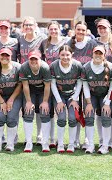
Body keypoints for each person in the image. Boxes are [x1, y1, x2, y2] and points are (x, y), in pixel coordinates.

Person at [66, 21, 97, 150]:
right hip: (74, 82)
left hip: (89, 81)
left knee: (88, 110)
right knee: (76, 110)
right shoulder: (69, 43)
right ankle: (76, 139)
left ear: (86, 31)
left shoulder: (92, 43)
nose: (81, 32)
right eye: (78, 30)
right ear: (74, 30)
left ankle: (87, 139)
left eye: (83, 30)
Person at [93, 18, 112, 150]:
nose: (102, 30)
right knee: (99, 111)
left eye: (104, 27)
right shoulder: (93, 42)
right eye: (100, 27)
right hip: (99, 82)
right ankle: (101, 139)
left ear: (109, 28)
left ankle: (111, 140)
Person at [18, 16, 47, 145]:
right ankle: (27, 137)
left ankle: (40, 135)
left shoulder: (42, 40)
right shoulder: (20, 39)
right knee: (27, 109)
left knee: (41, 110)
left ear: (35, 26)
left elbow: (45, 57)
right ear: (23, 27)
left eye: (31, 25)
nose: (28, 27)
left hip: (39, 77)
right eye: (26, 25)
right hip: (25, 78)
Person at [0, 47, 22, 152]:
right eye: (3, 55)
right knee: (0, 117)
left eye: (7, 55)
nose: (5, 57)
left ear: (11, 57)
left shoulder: (18, 67)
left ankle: (10, 143)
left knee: (11, 118)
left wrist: (11, 100)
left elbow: (20, 85)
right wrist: (2, 102)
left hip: (14, 95)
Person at [81, 46, 112, 154]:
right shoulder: (86, 67)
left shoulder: (110, 67)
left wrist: (108, 102)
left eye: (100, 53)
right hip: (91, 95)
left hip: (105, 95)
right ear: (92, 54)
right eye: (96, 53)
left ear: (104, 55)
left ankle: (105, 145)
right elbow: (85, 86)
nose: (98, 55)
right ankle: (90, 144)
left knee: (106, 116)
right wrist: (88, 103)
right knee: (89, 116)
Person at [50, 45, 83, 153]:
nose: (65, 57)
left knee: (73, 119)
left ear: (71, 55)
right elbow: (53, 84)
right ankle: (60, 143)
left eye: (67, 55)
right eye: (62, 55)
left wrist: (75, 98)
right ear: (58, 55)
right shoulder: (54, 66)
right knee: (61, 118)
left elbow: (79, 83)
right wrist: (59, 101)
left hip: (72, 95)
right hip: (59, 95)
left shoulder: (77, 65)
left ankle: (71, 144)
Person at [41, 21, 68, 148]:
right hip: (48, 79)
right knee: (49, 110)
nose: (53, 31)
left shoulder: (65, 42)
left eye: (55, 29)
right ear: (48, 30)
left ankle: (61, 138)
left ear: (59, 29)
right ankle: (51, 138)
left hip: (62, 79)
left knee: (61, 111)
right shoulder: (44, 43)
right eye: (51, 29)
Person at [19, 50, 51, 152]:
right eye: (31, 59)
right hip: (31, 91)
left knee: (44, 113)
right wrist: (28, 101)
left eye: (35, 59)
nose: (33, 61)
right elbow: (25, 85)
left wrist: (45, 101)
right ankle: (28, 142)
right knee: (28, 112)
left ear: (40, 59)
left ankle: (45, 142)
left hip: (42, 91)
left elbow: (47, 86)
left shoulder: (45, 68)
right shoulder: (24, 67)